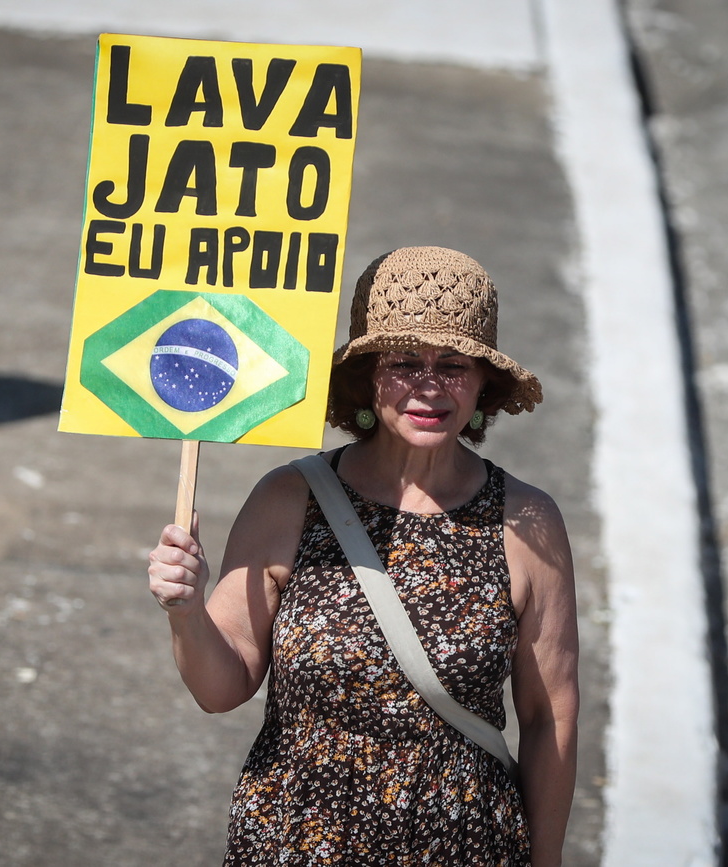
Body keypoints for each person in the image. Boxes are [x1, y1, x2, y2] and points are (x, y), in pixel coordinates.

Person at [148, 246, 579, 867]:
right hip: (294, 846)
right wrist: (185, 613)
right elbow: (223, 688)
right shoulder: (288, 499)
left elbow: (550, 721)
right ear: (367, 374)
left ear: (483, 383)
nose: (429, 386)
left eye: (453, 364)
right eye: (405, 362)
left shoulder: (526, 522)